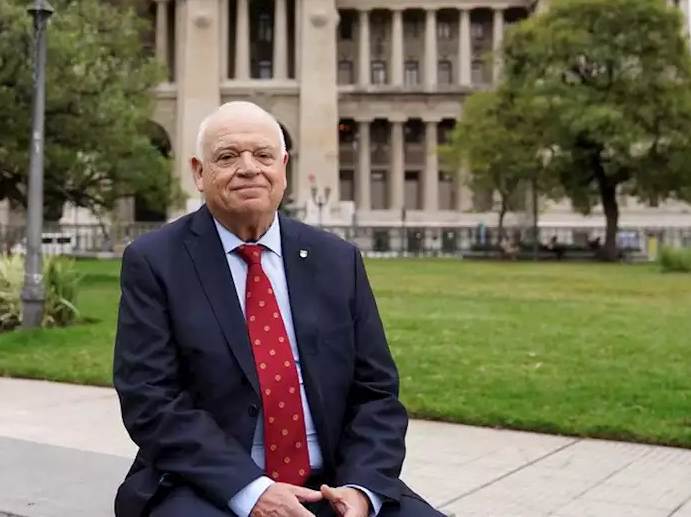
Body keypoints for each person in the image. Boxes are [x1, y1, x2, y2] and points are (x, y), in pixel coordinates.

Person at [112, 101, 446, 517]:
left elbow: (376, 394)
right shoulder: (156, 261)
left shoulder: (337, 260)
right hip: (209, 483)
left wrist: (361, 490)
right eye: (228, 156)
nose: (249, 168)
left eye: (264, 155)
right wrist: (252, 492)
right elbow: (151, 400)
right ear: (200, 172)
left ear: (283, 168)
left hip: (332, 483)